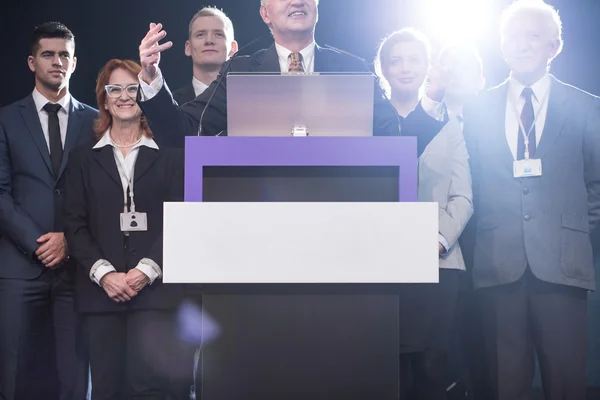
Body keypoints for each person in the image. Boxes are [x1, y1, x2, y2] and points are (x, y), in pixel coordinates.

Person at [460, 0, 600, 398]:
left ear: (554, 47)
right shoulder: (476, 108)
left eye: (532, 37)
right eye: (512, 38)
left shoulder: (588, 108)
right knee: (503, 386)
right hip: (496, 263)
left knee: (566, 384)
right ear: (501, 46)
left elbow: (598, 184)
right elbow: (467, 181)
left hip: (563, 266)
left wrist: (571, 232)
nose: (521, 46)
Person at [136, 0, 448, 152]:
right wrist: (151, 77)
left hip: (341, 222)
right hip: (260, 224)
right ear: (265, 13)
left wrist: (432, 99)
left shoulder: (353, 69)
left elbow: (398, 145)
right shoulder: (241, 70)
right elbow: (184, 133)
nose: (297, 0)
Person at [63, 59, 186, 399]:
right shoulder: (82, 159)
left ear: (144, 94)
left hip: (157, 294)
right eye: (114, 89)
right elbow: (74, 224)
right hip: (101, 296)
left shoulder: (172, 155)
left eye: (132, 88)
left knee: (153, 387)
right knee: (107, 388)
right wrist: (105, 275)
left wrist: (146, 270)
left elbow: (182, 217)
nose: (124, 96)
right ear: (103, 100)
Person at [376, 29, 480, 399]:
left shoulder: (450, 125)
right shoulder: (371, 120)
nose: (405, 68)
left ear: (429, 68)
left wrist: (438, 240)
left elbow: (463, 196)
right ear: (382, 69)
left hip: (439, 260)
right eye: (396, 60)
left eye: (415, 59)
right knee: (384, 370)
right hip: (379, 263)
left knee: (434, 371)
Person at [0, 21, 96, 400]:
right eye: (48, 54)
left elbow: (100, 193)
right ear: (31, 62)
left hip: (78, 270)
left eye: (64, 56)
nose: (57, 61)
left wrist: (69, 241)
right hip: (20, 270)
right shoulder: (5, 120)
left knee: (75, 378)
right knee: (15, 373)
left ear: (74, 63)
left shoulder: (95, 121)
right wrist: (39, 243)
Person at [172, 7, 238, 105]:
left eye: (218, 34)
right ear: (188, 47)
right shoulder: (170, 105)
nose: (209, 41)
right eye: (200, 35)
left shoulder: (250, 101)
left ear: (233, 48)